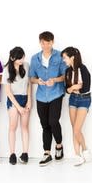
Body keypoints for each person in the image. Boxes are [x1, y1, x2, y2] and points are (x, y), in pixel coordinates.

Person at [29, 31, 67, 166]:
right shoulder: (34, 58)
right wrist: (37, 81)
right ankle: (47, 153)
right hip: (41, 95)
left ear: (53, 42)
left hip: (56, 93)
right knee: (44, 124)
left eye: (48, 42)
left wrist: (55, 80)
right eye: (43, 43)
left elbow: (65, 75)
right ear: (40, 43)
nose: (46, 45)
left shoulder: (60, 55)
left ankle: (59, 145)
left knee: (53, 121)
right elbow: (31, 78)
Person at [62, 47, 92, 166]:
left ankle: (85, 149)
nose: (64, 60)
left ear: (72, 57)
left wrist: (73, 88)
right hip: (73, 100)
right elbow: (67, 90)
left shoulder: (83, 69)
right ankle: (77, 155)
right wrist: (74, 87)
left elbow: (86, 88)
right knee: (74, 128)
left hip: (84, 99)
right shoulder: (67, 71)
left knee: (76, 129)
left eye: (65, 58)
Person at [2, 47, 31, 165]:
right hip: (13, 99)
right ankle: (12, 154)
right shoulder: (6, 70)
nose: (22, 60)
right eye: (19, 58)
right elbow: (8, 91)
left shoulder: (26, 65)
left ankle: (25, 154)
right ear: (12, 58)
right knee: (13, 127)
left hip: (25, 98)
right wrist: (18, 107)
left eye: (23, 57)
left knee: (25, 127)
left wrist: (29, 101)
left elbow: (29, 84)